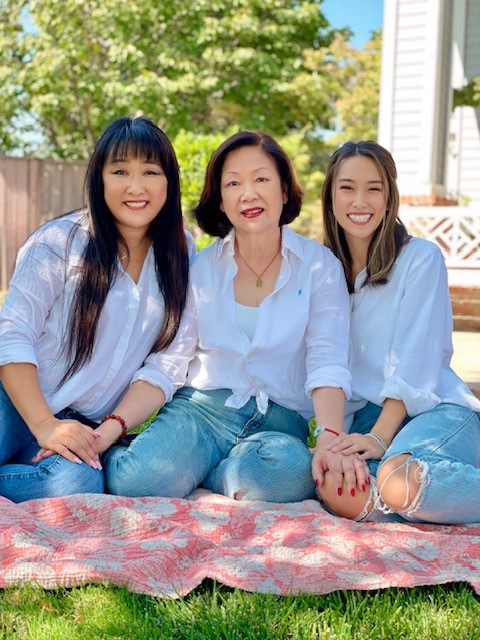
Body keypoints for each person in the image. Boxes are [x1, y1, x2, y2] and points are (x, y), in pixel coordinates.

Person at [103, 130, 352, 503]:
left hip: (280, 422)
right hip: (202, 411)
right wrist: (111, 427)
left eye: (261, 179)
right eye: (233, 183)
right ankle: (193, 463)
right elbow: (170, 362)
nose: (248, 193)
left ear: (284, 190)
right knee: (135, 481)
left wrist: (330, 438)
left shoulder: (319, 266)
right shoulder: (201, 267)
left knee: (290, 474)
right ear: (220, 201)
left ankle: (211, 473)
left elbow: (327, 360)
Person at [0, 116, 194, 503]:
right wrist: (43, 424)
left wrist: (107, 432)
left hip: (83, 424)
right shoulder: (60, 242)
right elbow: (12, 334)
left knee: (77, 484)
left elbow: (166, 366)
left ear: (168, 182)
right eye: (120, 170)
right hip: (14, 401)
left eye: (150, 172)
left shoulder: (183, 255)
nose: (135, 187)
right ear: (99, 179)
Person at [315, 140, 480, 523]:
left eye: (374, 188)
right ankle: (416, 503)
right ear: (331, 197)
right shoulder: (322, 271)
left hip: (436, 410)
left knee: (398, 480)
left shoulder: (421, 258)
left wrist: (379, 437)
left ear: (389, 199)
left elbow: (417, 359)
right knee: (336, 487)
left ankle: (410, 489)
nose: (360, 201)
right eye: (347, 187)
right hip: (366, 420)